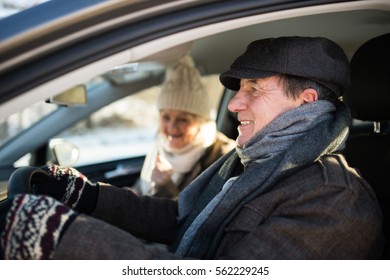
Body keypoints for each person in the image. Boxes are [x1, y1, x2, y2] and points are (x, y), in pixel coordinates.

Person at [0, 36, 384, 260]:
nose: (234, 104)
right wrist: (86, 196)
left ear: (306, 102)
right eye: (237, 92)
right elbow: (178, 219)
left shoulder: (336, 200)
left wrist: (62, 237)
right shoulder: (249, 161)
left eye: (253, 90)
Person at [133, 55, 235, 198]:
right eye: (166, 117)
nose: (171, 127)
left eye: (183, 119)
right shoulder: (160, 145)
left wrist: (166, 187)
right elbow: (143, 187)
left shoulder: (223, 158)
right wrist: (133, 194)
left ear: (201, 121)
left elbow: (199, 217)